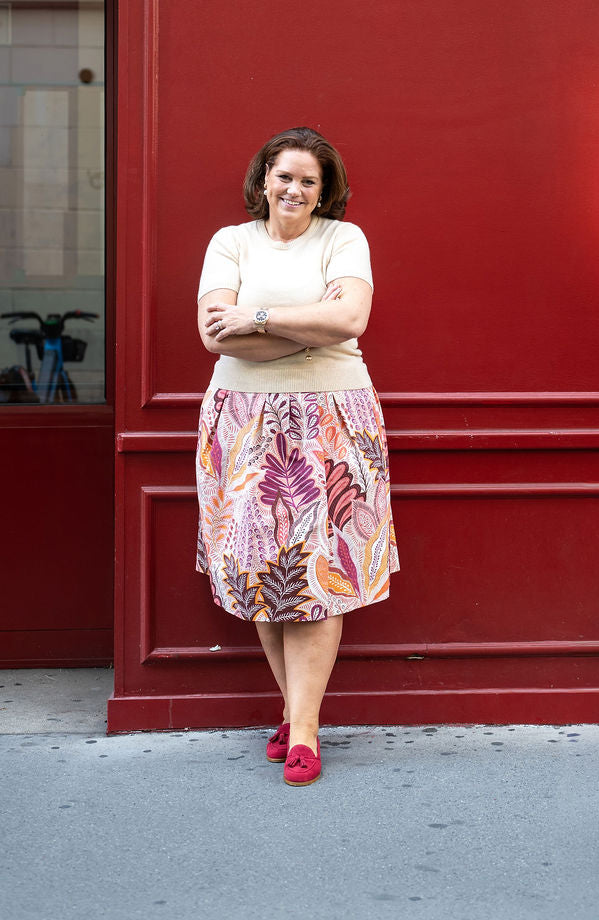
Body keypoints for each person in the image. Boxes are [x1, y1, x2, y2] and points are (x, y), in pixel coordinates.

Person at [195, 126, 398, 787]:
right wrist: (303, 327)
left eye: (309, 180)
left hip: (334, 418)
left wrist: (256, 319)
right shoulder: (232, 242)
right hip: (241, 421)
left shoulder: (344, 239)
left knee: (321, 575)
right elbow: (212, 333)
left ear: (325, 191)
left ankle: (304, 729)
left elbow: (350, 321)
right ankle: (294, 709)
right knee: (261, 566)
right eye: (284, 176)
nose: (294, 189)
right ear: (263, 180)